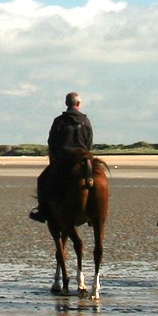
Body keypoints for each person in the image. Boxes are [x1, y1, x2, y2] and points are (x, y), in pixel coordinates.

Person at [28, 93, 95, 221]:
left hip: (63, 160)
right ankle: (94, 212)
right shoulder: (86, 121)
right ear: (78, 104)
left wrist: (54, 158)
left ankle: (42, 211)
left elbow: (52, 142)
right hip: (83, 159)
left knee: (42, 180)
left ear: (66, 104)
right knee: (94, 179)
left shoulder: (59, 121)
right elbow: (89, 142)